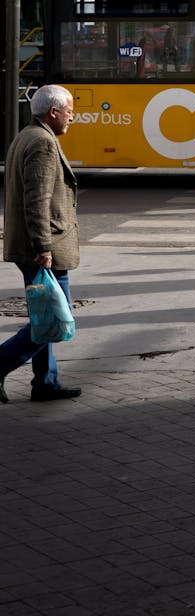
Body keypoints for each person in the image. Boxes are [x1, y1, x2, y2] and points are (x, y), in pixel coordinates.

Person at [0, 84, 82, 403]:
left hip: (33, 245)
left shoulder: (26, 135)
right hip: (43, 249)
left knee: (45, 315)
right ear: (53, 112)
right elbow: (37, 199)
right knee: (55, 319)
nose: (71, 118)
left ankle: (45, 382)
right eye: (69, 112)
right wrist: (43, 246)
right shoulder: (43, 143)